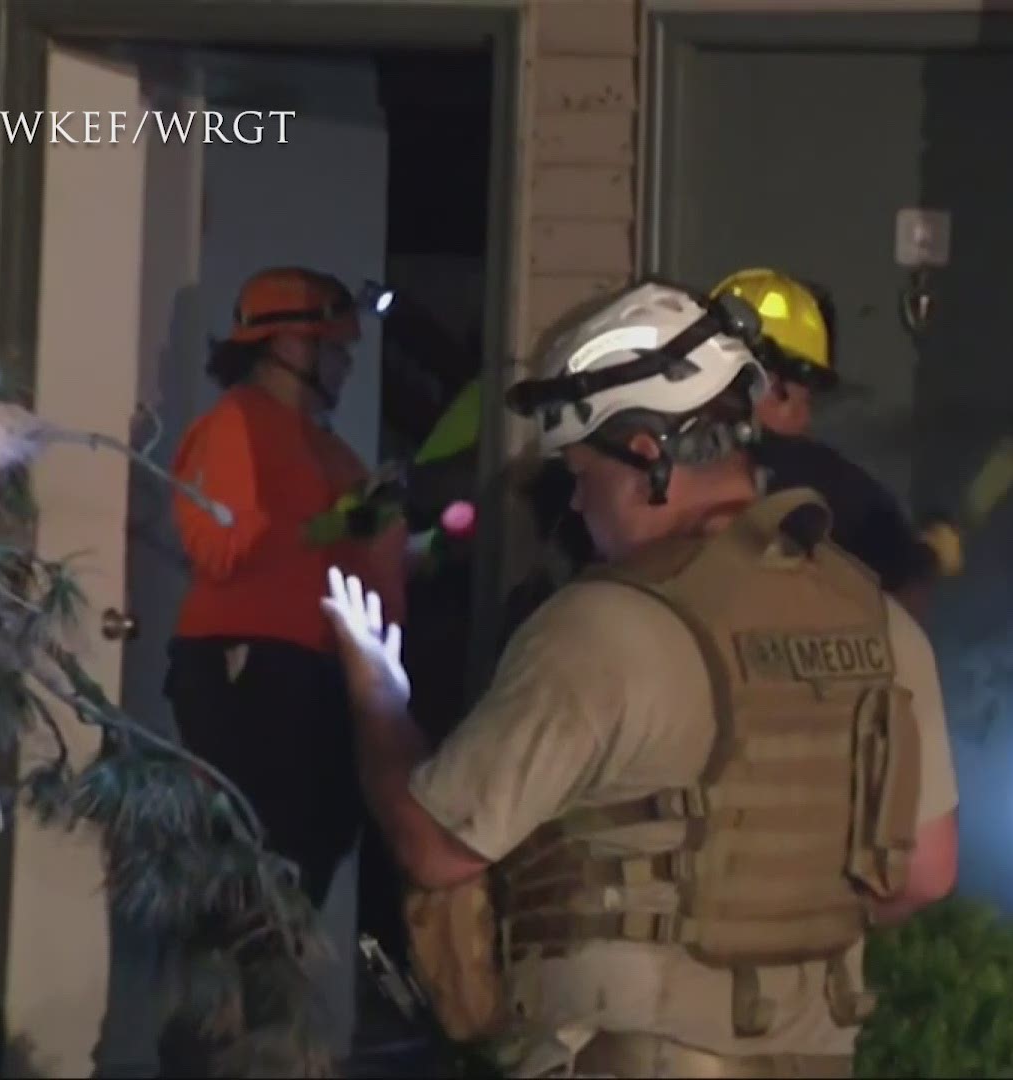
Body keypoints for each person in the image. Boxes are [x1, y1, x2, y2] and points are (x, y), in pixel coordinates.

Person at [320, 280, 961, 1078]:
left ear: (647, 458)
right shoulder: (882, 625)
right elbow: (926, 873)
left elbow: (438, 845)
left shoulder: (605, 625)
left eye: (582, 475)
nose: (580, 507)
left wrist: (377, 692)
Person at [95, 266, 404, 1075]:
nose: (345, 364)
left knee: (295, 890)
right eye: (334, 346)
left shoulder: (335, 452)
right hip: (247, 674)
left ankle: (272, 1050)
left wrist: (390, 534)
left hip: (323, 680)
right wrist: (325, 521)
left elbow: (364, 578)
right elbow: (219, 544)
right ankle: (215, 1055)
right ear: (290, 341)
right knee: (243, 897)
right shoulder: (234, 426)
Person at [711, 268, 945, 615]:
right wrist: (925, 559)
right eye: (809, 399)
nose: (808, 418)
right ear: (777, 388)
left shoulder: (661, 467)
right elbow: (902, 608)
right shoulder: (833, 488)